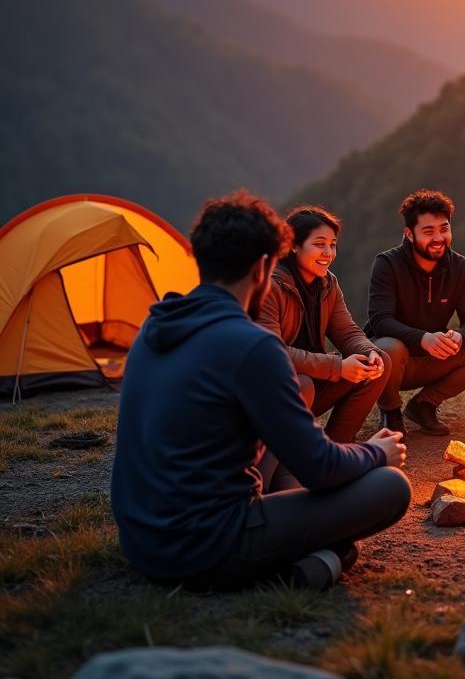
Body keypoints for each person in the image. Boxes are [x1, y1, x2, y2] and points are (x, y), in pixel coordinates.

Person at [111, 191, 410, 592]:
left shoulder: (155, 327)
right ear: (263, 267)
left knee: (287, 442)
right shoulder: (252, 346)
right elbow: (319, 467)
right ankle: (313, 558)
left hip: (141, 540)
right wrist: (377, 452)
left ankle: (316, 554)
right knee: (391, 486)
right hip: (206, 548)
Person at [366, 189, 465, 436]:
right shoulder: (387, 264)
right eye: (428, 231)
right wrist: (422, 338)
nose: (439, 238)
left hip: (433, 357)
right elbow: (380, 321)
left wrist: (460, 336)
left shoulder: (458, 265)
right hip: (394, 364)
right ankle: (390, 411)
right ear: (409, 234)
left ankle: (424, 405)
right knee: (388, 347)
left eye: (444, 229)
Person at [258, 205, 388, 445]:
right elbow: (272, 353)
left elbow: (345, 330)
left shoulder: (328, 283)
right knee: (303, 383)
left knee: (379, 360)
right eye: (319, 244)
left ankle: (336, 446)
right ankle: (287, 454)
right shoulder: (271, 287)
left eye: (332, 244)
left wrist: (369, 352)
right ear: (293, 246)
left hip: (312, 382)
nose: (328, 252)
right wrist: (337, 367)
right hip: (275, 391)